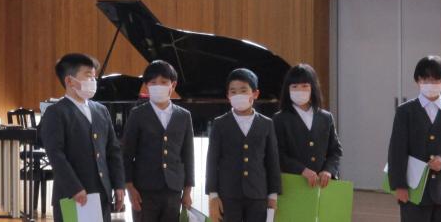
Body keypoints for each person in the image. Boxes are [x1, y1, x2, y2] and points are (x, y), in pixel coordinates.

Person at [39, 53, 125, 222]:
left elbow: (113, 150)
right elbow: (56, 155)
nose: (93, 81)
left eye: (94, 77)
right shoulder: (56, 112)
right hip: (72, 195)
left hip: (101, 194)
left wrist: (119, 184)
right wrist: (74, 188)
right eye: (87, 76)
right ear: (69, 81)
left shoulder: (101, 110)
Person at [206, 68, 281, 222]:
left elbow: (272, 162)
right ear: (228, 96)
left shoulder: (267, 124)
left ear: (255, 93)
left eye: (243, 90)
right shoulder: (220, 123)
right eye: (233, 91)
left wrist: (273, 196)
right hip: (228, 195)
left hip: (258, 195)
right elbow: (212, 161)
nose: (238, 95)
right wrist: (213, 195)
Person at [123, 60, 194, 222]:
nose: (158, 86)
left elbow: (188, 156)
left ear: (173, 85)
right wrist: (130, 187)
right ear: (146, 86)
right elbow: (126, 154)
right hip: (144, 189)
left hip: (173, 188)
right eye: (153, 83)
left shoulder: (184, 116)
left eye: (163, 82)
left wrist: (187, 191)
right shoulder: (137, 114)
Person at [388, 55, 441, 222]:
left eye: (435, 80)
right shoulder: (405, 111)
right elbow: (397, 151)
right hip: (414, 191)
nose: (430, 84)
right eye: (425, 79)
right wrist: (399, 185)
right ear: (417, 81)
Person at [272, 63, 343, 188]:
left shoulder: (326, 117)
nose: (299, 90)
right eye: (294, 87)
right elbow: (278, 153)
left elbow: (335, 151)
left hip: (323, 185)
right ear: (288, 89)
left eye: (304, 86)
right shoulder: (279, 119)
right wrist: (301, 170)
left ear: (313, 88)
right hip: (293, 183)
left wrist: (328, 170)